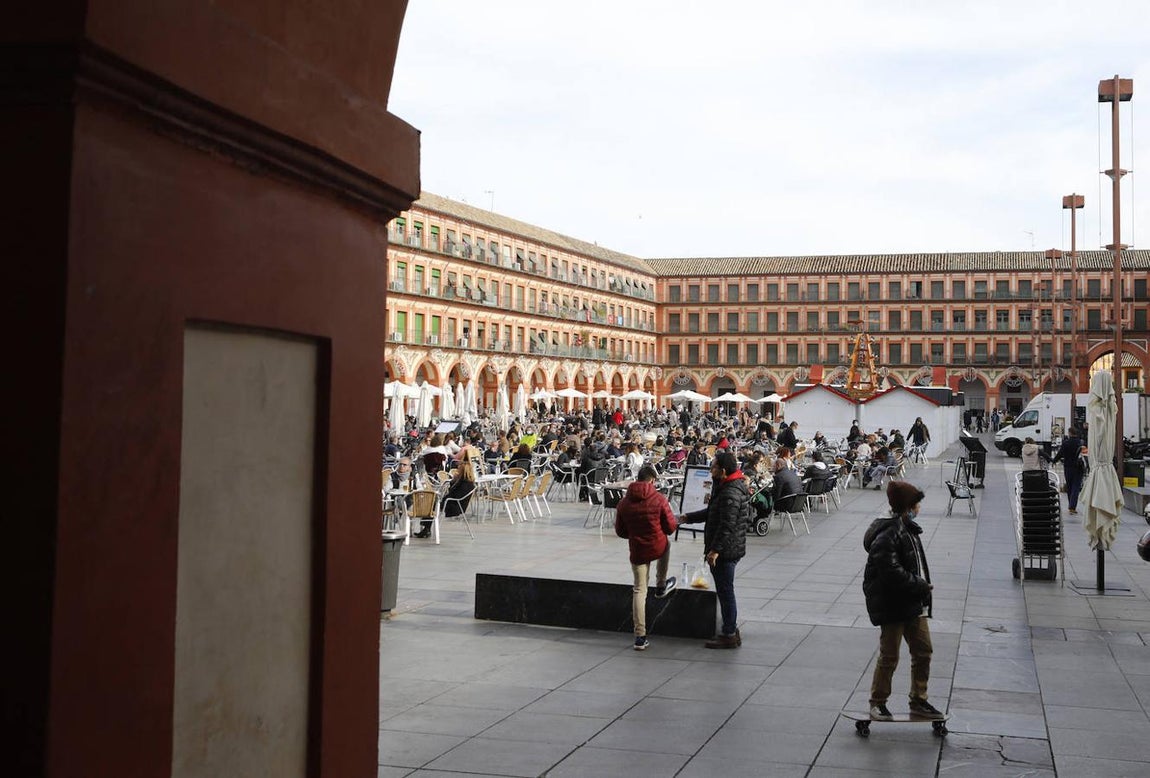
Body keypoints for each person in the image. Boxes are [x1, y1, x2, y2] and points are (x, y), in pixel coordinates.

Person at [863, 481, 941, 721]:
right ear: (907, 506)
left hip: (912, 602)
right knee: (890, 656)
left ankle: (919, 699)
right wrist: (919, 584)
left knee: (923, 651)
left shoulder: (907, 527)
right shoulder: (888, 532)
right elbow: (890, 571)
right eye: (916, 504)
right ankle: (878, 701)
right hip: (893, 603)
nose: (919, 508)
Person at [681, 451, 749, 649]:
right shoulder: (726, 487)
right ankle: (730, 628)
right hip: (728, 547)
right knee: (725, 590)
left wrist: (715, 551)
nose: (710, 470)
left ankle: (728, 633)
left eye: (713, 467)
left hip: (727, 550)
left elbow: (727, 524)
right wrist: (689, 517)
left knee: (726, 591)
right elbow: (712, 513)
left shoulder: (730, 492)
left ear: (724, 471)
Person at [615, 465, 678, 650]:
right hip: (657, 546)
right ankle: (660, 584)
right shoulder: (659, 500)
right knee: (667, 544)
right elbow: (670, 528)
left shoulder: (624, 503)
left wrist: (635, 534)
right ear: (652, 480)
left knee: (639, 590)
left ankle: (640, 637)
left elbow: (620, 531)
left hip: (638, 550)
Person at [1050, 427, 1085, 515]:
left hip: (1068, 467)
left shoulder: (1066, 443)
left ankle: (1071, 505)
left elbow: (1060, 453)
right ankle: (1072, 506)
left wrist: (1054, 461)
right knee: (1076, 487)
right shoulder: (1081, 443)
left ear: (1069, 433)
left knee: (1069, 486)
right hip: (1079, 467)